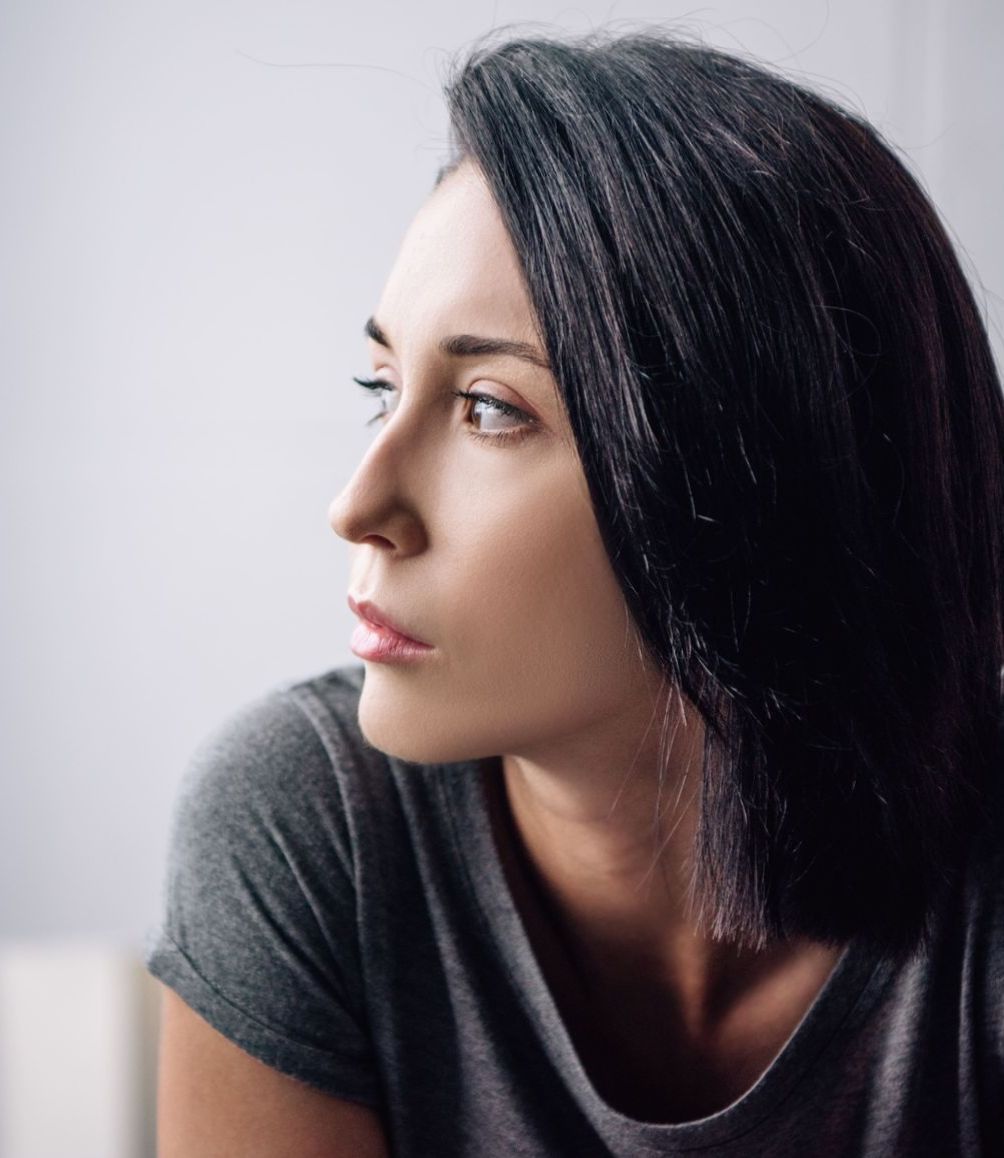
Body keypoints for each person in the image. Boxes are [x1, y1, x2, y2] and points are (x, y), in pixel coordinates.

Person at [144, 25, 1004, 1157]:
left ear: (754, 487)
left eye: (490, 408)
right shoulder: (307, 827)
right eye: (381, 385)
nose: (356, 507)